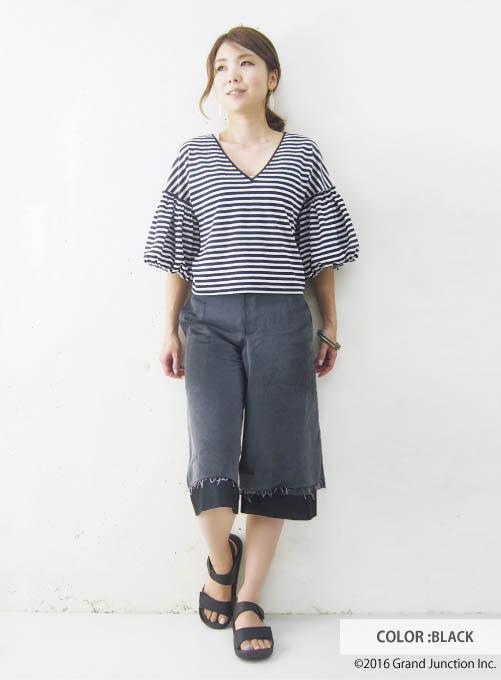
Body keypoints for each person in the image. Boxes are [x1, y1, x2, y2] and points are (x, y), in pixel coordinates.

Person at [143, 25, 359, 661]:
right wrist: (168, 328)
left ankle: (248, 599)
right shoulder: (193, 156)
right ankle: (222, 559)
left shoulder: (303, 155)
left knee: (277, 463)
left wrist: (330, 324)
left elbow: (322, 249)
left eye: (246, 63)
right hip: (208, 324)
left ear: (272, 76)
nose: (232, 75)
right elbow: (177, 250)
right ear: (213, 83)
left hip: (282, 322)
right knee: (211, 459)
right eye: (221, 67)